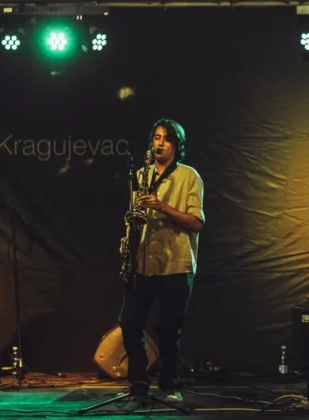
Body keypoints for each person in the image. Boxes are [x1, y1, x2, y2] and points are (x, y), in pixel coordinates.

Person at [118, 119, 205, 404]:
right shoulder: (141, 175)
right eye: (156, 137)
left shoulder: (189, 176)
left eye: (166, 139)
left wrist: (162, 207)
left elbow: (196, 222)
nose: (160, 143)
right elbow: (134, 217)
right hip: (143, 262)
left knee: (168, 330)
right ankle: (138, 385)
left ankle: (170, 386)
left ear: (177, 145)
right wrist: (127, 239)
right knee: (129, 324)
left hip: (176, 264)